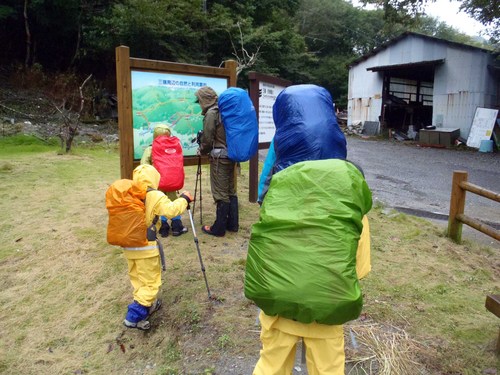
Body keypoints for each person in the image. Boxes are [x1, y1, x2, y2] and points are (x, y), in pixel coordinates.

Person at [245, 84, 373, 374]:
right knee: (327, 368)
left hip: (277, 305)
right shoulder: (350, 197)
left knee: (271, 364)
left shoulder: (276, 190)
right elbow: (360, 268)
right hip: (328, 308)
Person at [122, 164, 193, 330]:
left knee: (138, 278)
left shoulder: (127, 193)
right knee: (151, 282)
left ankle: (144, 308)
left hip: (128, 244)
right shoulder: (154, 195)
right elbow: (171, 211)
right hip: (145, 247)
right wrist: (185, 199)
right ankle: (134, 315)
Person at [194, 86, 238, 237]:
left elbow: (207, 138)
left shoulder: (212, 113)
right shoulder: (225, 109)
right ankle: (233, 224)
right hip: (232, 155)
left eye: (199, 101)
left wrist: (202, 150)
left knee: (220, 192)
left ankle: (218, 229)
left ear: (204, 100)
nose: (199, 104)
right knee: (230, 190)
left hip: (219, 158)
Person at [141, 124, 188, 237]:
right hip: (172, 181)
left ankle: (163, 227)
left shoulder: (150, 149)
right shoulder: (173, 148)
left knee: (159, 202)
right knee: (172, 201)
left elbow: (143, 165)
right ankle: (177, 226)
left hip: (158, 183)